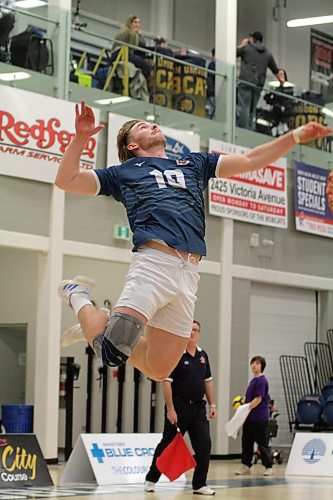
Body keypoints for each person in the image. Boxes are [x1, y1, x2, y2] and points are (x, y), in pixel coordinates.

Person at [55, 100, 331, 382]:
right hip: (154, 265)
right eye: (141, 126)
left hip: (189, 273)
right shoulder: (124, 172)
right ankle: (78, 297)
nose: (151, 124)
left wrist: (295, 136)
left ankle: (99, 326)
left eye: (150, 123)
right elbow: (68, 180)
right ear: (132, 146)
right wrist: (81, 138)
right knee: (111, 352)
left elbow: (251, 160)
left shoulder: (194, 163)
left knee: (159, 370)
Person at [144, 320, 217, 496]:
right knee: (167, 443)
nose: (192, 333)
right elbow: (166, 383)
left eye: (196, 330)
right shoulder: (175, 354)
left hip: (198, 408)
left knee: (204, 445)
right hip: (179, 407)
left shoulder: (203, 356)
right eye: (190, 330)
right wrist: (170, 409)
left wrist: (212, 404)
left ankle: (199, 484)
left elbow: (208, 382)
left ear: (199, 333)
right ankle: (151, 479)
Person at [236, 31, 285, 130]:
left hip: (246, 81)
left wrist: (242, 44)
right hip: (259, 84)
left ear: (253, 39)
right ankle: (251, 130)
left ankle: (243, 130)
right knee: (252, 108)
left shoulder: (246, 49)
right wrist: (282, 81)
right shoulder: (268, 54)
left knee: (244, 106)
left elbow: (231, 52)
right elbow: (276, 70)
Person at [235, 356, 273, 476]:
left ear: (262, 366)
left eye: (257, 363)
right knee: (246, 442)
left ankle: (268, 466)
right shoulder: (253, 380)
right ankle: (246, 466)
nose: (254, 365)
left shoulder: (262, 380)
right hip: (249, 417)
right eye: (252, 363)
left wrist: (245, 408)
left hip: (259, 417)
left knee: (262, 443)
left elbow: (258, 399)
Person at [112, 14, 151, 80]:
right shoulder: (127, 31)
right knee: (146, 67)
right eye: (135, 22)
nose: (137, 25)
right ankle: (136, 83)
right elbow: (134, 47)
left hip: (122, 53)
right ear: (130, 23)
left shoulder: (125, 29)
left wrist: (139, 34)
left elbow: (142, 43)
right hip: (121, 53)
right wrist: (135, 34)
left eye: (138, 23)